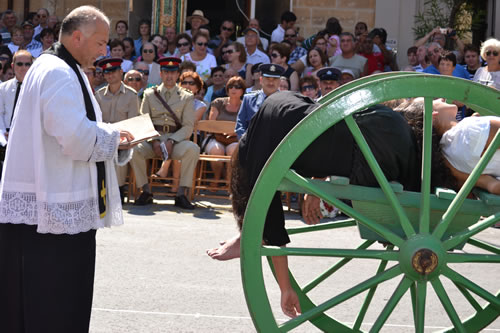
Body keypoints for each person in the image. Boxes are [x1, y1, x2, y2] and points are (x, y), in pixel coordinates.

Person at [0, 6, 135, 332]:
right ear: (78, 37)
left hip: (56, 202)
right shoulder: (58, 71)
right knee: (56, 304)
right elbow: (73, 136)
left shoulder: (59, 67)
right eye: (101, 42)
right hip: (55, 213)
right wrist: (116, 137)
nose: (105, 49)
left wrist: (112, 140)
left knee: (47, 301)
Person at [130, 57, 199, 209]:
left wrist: (172, 141)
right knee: (134, 150)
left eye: (173, 72)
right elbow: (144, 121)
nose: (169, 76)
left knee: (193, 149)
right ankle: (145, 191)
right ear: (161, 74)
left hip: (175, 140)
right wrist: (154, 140)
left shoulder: (186, 96)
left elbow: (188, 126)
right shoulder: (149, 94)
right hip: (153, 138)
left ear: (177, 74)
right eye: (166, 72)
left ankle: (182, 193)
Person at [95, 58, 140, 202]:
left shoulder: (131, 95)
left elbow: (133, 122)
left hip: (125, 137)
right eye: (106, 72)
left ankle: (119, 188)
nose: (110, 75)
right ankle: (101, 188)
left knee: (119, 148)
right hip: (104, 135)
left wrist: (120, 138)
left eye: (113, 71)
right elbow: (97, 122)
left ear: (121, 72)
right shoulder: (99, 95)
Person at [205, 76, 245, 183]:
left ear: (242, 90)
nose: (233, 89)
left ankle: (229, 181)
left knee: (233, 151)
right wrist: (222, 131)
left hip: (235, 139)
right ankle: (217, 178)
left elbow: (246, 126)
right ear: (227, 89)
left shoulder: (245, 105)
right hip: (216, 137)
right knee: (217, 151)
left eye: (237, 87)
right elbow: (211, 124)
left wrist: (235, 132)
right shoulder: (218, 102)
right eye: (230, 86)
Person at [235, 64, 284, 138]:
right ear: (261, 80)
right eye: (267, 78)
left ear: (279, 82)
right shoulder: (248, 99)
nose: (271, 83)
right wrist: (246, 143)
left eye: (274, 79)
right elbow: (240, 125)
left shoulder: (286, 101)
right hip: (252, 144)